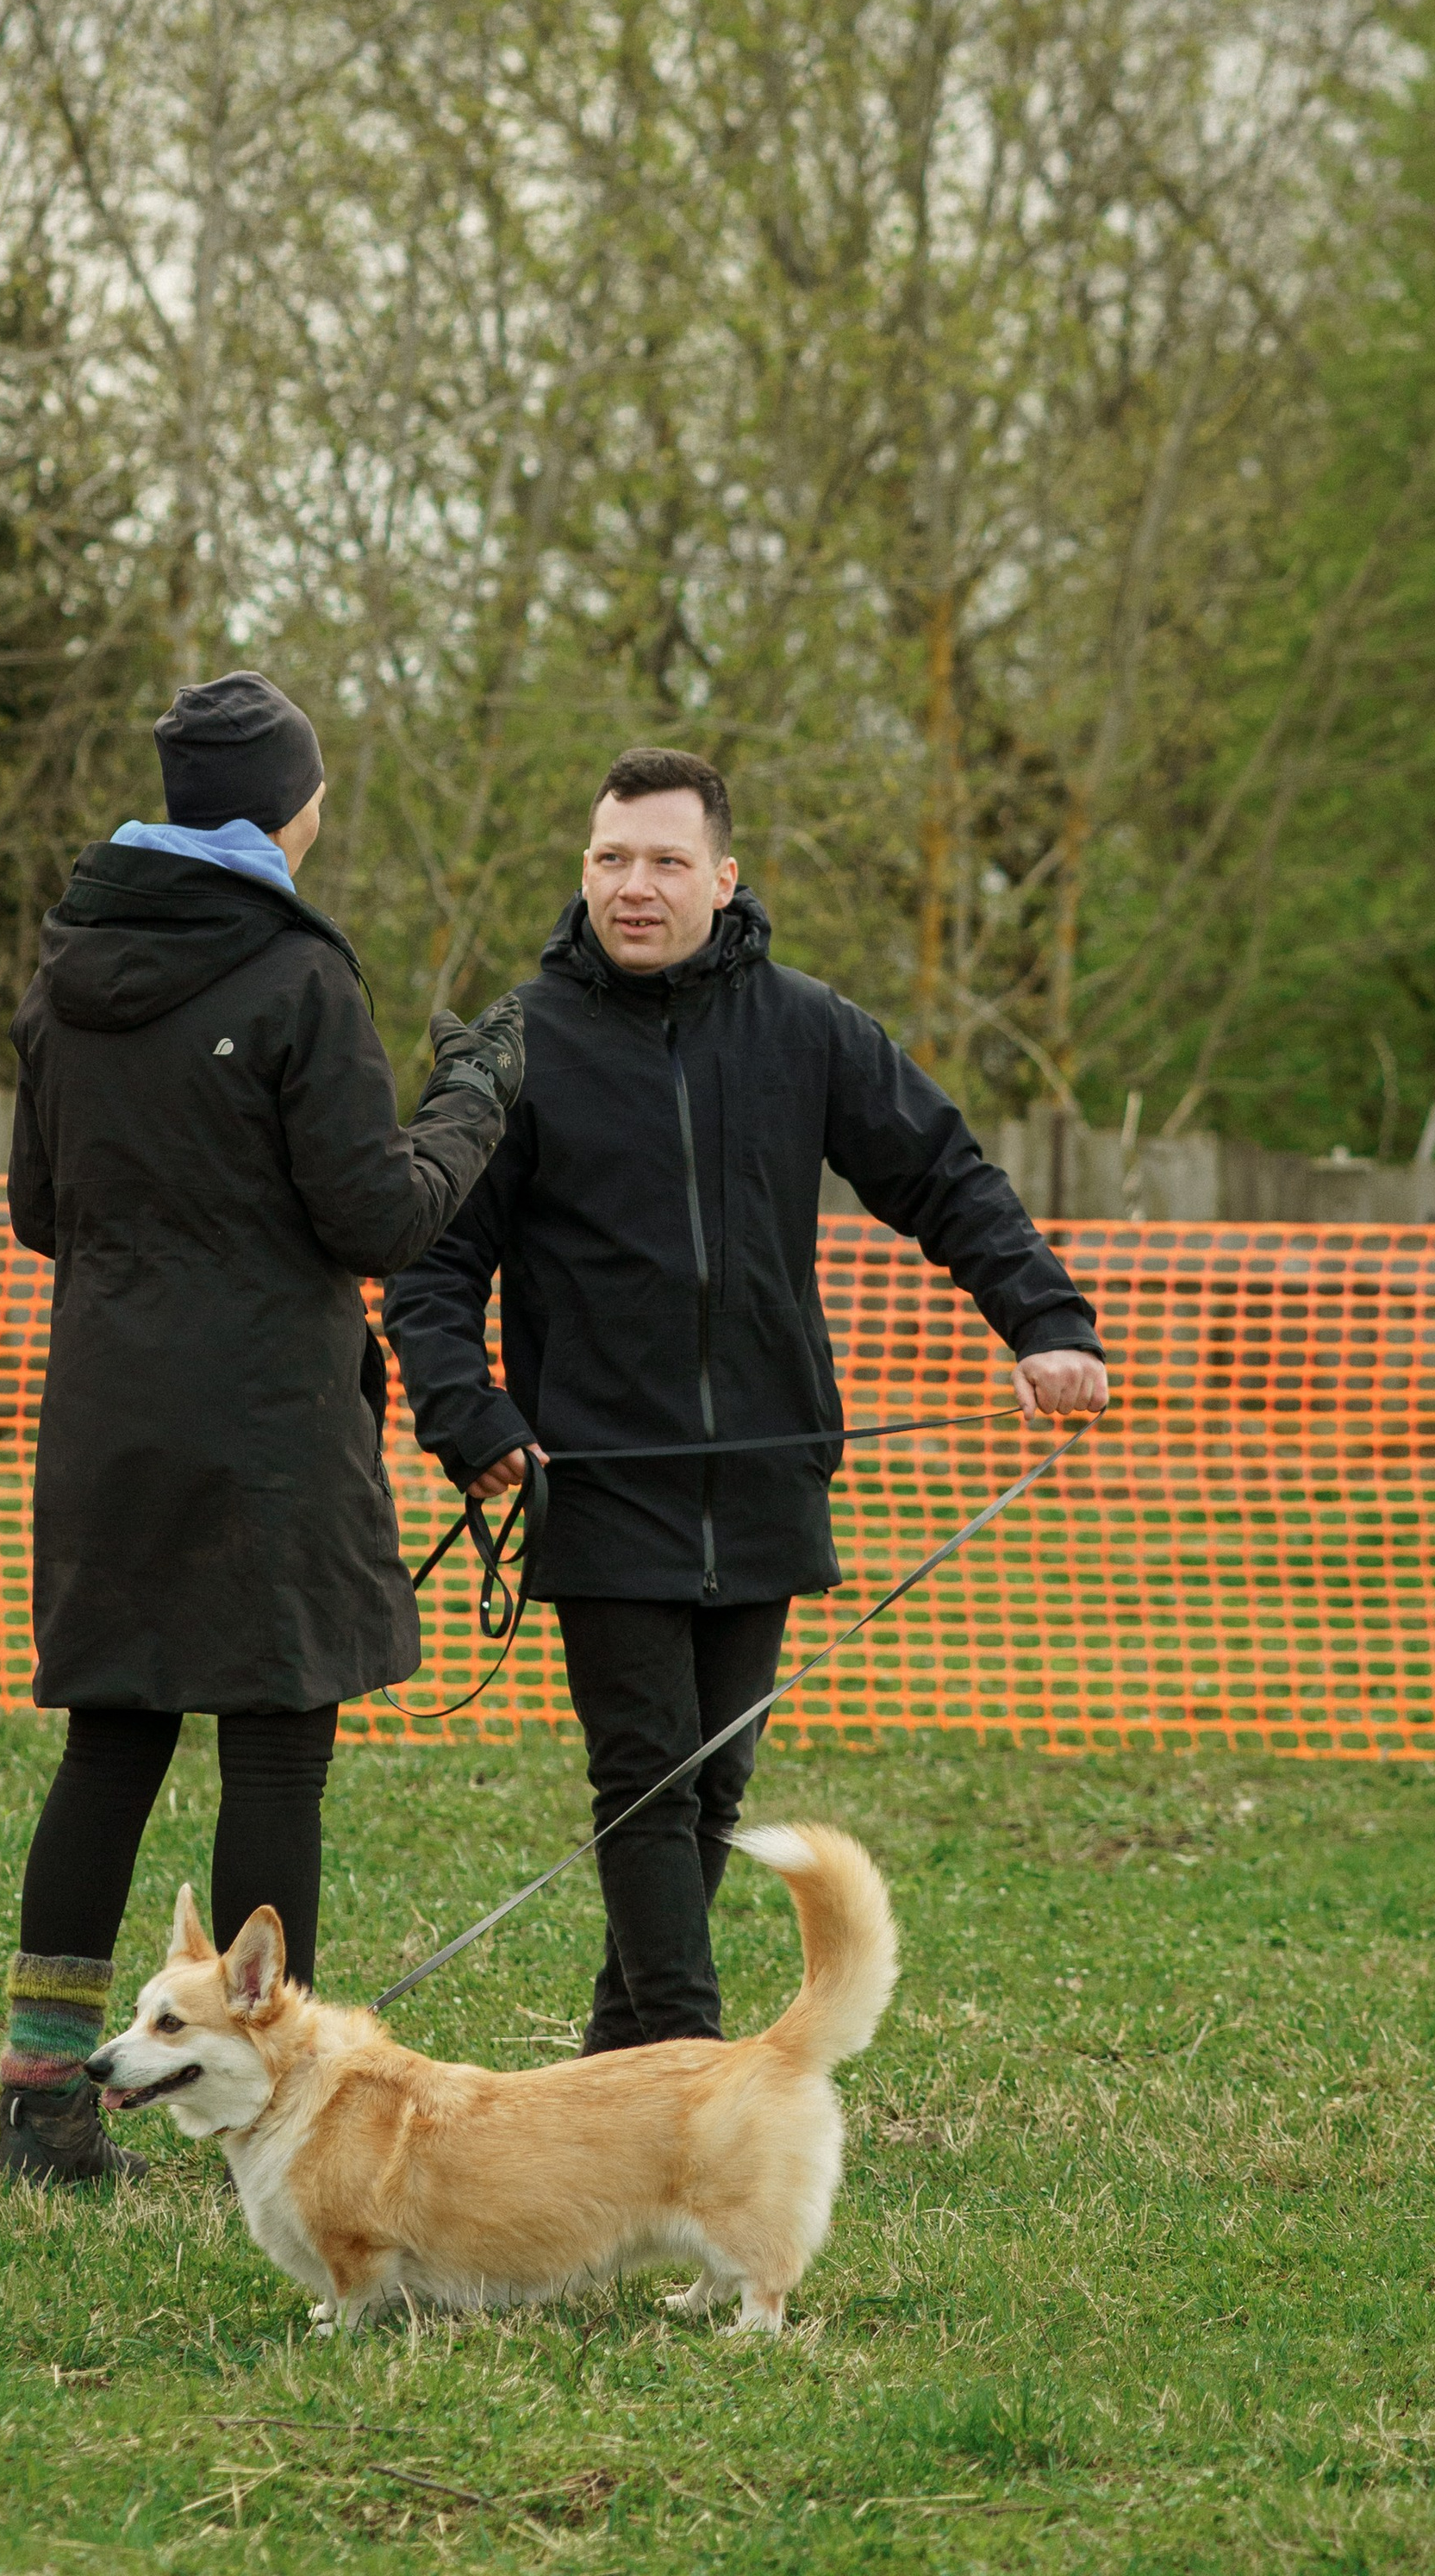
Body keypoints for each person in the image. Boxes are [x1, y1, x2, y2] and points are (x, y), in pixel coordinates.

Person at [384, 746, 1108, 2057]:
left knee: (709, 1787)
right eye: (612, 859)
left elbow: (943, 1177)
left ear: (723, 876)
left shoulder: (808, 1029)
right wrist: (467, 1415)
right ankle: (692, 2079)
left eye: (665, 861)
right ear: (584, 871)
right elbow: (431, 1266)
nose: (636, 887)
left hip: (768, 1477)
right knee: (649, 1781)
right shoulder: (519, 1046)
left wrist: (1045, 1321)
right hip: (597, 1481)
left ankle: (618, 2069)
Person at [0, 672, 523, 2185]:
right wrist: (472, 1100)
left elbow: (43, 1212)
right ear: (289, 810)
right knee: (275, 1759)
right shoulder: (299, 981)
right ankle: (268, 2106)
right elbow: (378, 1214)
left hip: (109, 1414)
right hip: (272, 1426)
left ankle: (44, 2106)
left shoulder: (64, 978)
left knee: (111, 1750)